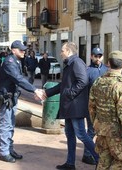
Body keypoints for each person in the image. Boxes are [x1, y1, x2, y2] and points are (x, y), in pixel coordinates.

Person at [43, 42, 99, 170]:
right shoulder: (70, 64)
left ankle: (100, 159)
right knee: (70, 134)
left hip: (75, 107)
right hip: (69, 107)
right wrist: (46, 93)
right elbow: (63, 85)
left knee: (81, 134)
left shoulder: (77, 63)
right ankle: (70, 163)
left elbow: (83, 81)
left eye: (62, 50)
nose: (60, 53)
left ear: (68, 51)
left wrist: (69, 93)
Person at [0, 40, 45, 163]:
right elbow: (18, 79)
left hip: (12, 98)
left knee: (11, 125)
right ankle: (4, 152)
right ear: (13, 50)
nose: (24, 51)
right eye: (21, 50)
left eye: (24, 49)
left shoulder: (16, 61)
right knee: (6, 126)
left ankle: (9, 149)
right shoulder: (9, 62)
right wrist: (34, 90)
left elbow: (18, 81)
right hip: (6, 99)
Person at [89, 50, 122, 170]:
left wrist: (97, 125)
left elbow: (91, 108)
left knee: (103, 162)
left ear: (108, 64)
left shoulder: (98, 82)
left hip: (101, 131)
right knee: (121, 162)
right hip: (117, 134)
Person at [82, 47, 109, 165]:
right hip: (91, 107)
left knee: (105, 132)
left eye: (99, 56)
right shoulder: (87, 71)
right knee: (91, 131)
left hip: (106, 107)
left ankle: (103, 155)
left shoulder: (107, 70)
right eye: (95, 56)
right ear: (91, 56)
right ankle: (87, 155)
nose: (98, 58)